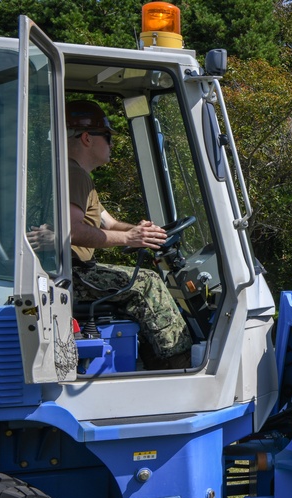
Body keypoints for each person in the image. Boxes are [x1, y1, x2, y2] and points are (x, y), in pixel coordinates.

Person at [66, 99, 192, 370]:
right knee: (148, 283)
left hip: (72, 273)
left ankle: (150, 359)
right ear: (87, 138)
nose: (112, 144)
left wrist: (143, 231)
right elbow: (73, 231)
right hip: (73, 276)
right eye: (107, 136)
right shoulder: (75, 175)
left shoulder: (77, 176)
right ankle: (180, 364)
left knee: (141, 286)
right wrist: (130, 238)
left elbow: (108, 224)